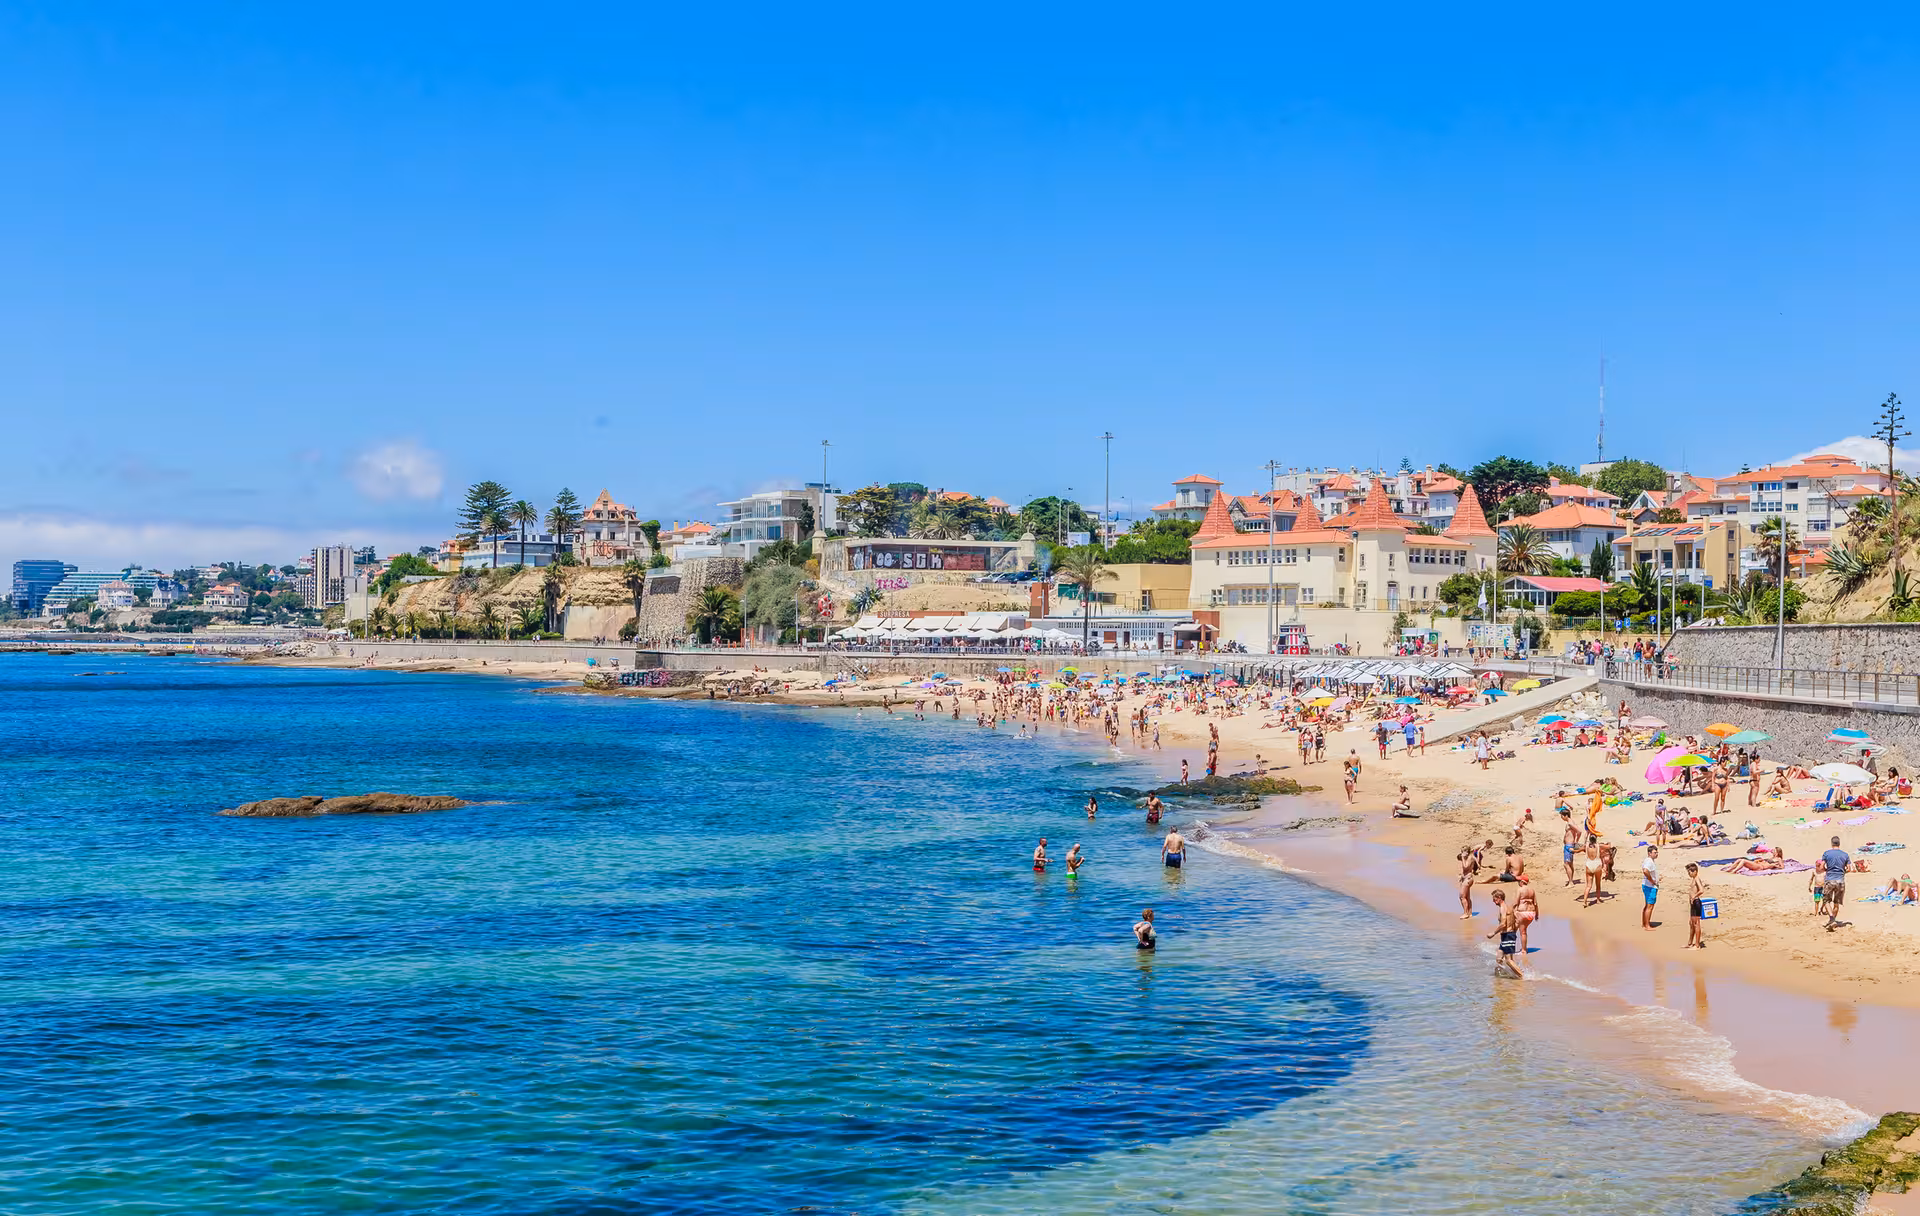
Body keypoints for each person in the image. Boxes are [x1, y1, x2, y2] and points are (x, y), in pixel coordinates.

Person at [1487, 889, 1524, 978]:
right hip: (1507, 936)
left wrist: (1493, 933)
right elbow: (1517, 921)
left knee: (1508, 960)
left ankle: (1522, 977)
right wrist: (1513, 932)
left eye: (1494, 899)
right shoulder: (1509, 907)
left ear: (1499, 897)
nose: (1493, 901)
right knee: (1499, 958)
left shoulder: (1503, 908)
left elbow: (1503, 924)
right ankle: (1502, 978)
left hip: (1508, 936)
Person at [1821, 836, 1851, 930]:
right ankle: (1832, 922)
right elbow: (1849, 869)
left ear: (1832, 843)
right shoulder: (1845, 855)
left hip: (1830, 879)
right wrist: (1842, 872)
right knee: (1836, 903)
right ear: (1839, 843)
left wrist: (1827, 870)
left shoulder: (1826, 853)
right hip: (1840, 881)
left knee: (1826, 900)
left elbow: (1822, 866)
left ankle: (1831, 918)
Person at [1685, 863, 1707, 949]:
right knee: (1691, 923)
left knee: (1696, 924)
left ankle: (1697, 945)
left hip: (1696, 902)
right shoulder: (1694, 879)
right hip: (1693, 903)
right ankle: (1690, 943)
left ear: (1695, 871)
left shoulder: (1697, 879)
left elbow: (1701, 890)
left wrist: (1694, 897)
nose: (1689, 874)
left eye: (1689, 872)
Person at [1641, 845, 1661, 931]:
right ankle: (1647, 925)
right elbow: (1645, 871)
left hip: (1647, 885)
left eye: (1657, 852)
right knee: (1650, 906)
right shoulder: (1649, 861)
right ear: (1649, 853)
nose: (1656, 854)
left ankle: (1645, 923)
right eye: (1655, 852)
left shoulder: (1648, 860)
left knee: (1647, 905)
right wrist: (1652, 881)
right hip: (1650, 886)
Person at [1560, 807, 1580, 886]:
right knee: (1570, 864)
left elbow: (1579, 831)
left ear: (1566, 816)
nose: (1561, 818)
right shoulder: (1570, 822)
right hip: (1568, 845)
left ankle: (1571, 882)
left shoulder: (1570, 823)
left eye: (1562, 816)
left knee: (1566, 864)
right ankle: (1571, 881)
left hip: (1569, 845)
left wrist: (1576, 842)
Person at [1457, 847, 1476, 919]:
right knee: (1467, 897)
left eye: (1462, 852)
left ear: (1466, 852)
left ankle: (1465, 913)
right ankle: (1469, 912)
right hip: (1466, 878)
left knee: (1462, 896)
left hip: (1468, 879)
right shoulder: (1469, 857)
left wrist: (1462, 858)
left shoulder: (1469, 858)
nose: (1462, 853)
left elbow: (1466, 867)